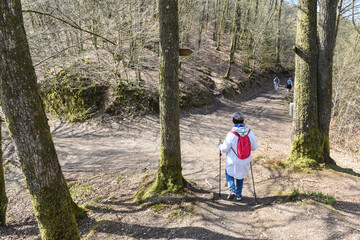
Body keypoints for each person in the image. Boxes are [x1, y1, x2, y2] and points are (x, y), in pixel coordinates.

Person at [218, 112, 258, 201]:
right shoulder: (250, 133)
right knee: (240, 175)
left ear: (233, 121)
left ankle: (232, 190)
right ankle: (239, 195)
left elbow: (224, 149)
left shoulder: (231, 134)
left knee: (228, 172)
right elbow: (254, 147)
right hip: (245, 160)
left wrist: (220, 145)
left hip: (233, 160)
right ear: (243, 121)